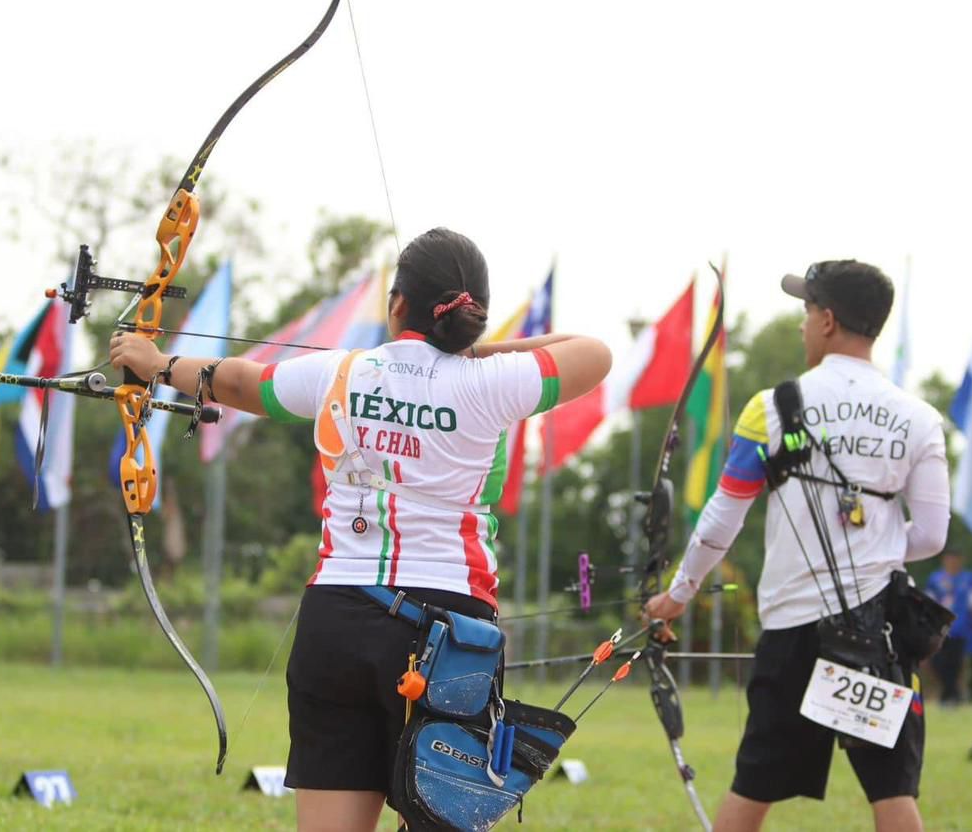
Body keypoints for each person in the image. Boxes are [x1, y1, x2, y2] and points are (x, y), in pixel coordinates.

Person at [110, 227, 611, 832]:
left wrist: (157, 363)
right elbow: (592, 352)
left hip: (338, 619)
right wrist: (475, 351)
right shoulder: (492, 382)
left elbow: (241, 382)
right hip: (451, 630)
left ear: (396, 303)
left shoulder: (342, 373)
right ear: (472, 314)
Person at [645, 260, 950, 832]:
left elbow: (722, 519)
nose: (804, 323)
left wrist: (679, 592)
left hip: (794, 633)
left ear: (828, 320)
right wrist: (877, 549)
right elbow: (932, 535)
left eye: (807, 311)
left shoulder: (772, 408)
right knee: (892, 793)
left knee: (753, 784)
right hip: (875, 632)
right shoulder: (920, 419)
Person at [923, 549, 972, 704]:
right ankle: (951, 692)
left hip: (960, 628)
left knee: (955, 663)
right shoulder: (936, 578)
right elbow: (930, 599)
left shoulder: (968, 578)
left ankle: (949, 696)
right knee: (937, 661)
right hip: (939, 627)